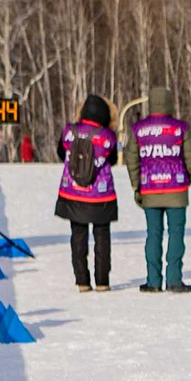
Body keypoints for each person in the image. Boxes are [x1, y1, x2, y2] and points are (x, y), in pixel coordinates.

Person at [127, 85, 191, 292]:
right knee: (176, 234)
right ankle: (174, 280)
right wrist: (185, 179)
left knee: (153, 234)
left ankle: (153, 281)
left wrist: (136, 184)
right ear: (169, 103)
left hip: (149, 189)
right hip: (176, 190)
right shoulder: (180, 128)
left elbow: (132, 160)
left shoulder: (138, 129)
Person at [56, 93, 120, 291]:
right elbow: (114, 160)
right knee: (102, 236)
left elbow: (61, 153)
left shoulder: (69, 131)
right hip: (101, 194)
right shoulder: (108, 136)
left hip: (73, 193)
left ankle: (82, 281)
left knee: (78, 236)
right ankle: (102, 281)